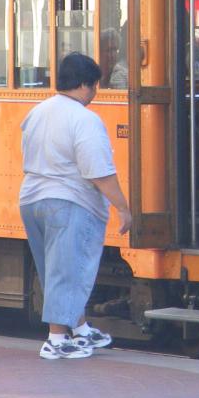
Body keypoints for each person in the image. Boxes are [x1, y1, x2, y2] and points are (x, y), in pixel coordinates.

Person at [20, 53, 132, 360]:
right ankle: (57, 340)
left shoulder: (37, 112)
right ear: (84, 85)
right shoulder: (85, 119)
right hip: (69, 200)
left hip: (31, 199)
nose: (95, 92)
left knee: (53, 270)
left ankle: (80, 329)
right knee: (69, 271)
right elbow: (98, 171)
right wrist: (123, 208)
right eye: (94, 85)